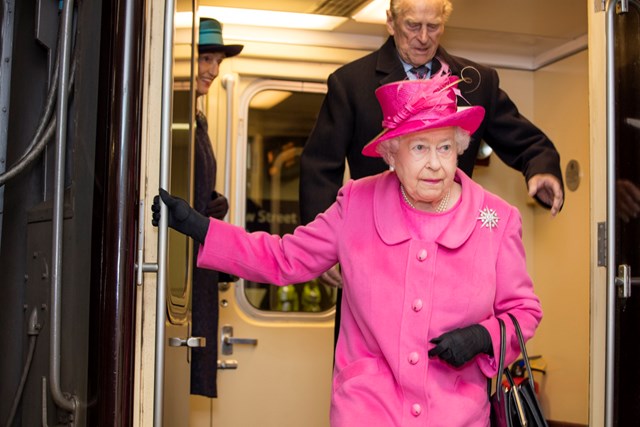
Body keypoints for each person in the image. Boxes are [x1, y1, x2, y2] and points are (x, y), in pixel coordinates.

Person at [152, 74, 543, 425]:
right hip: (366, 411)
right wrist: (200, 228)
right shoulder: (358, 202)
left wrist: (483, 336)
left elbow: (524, 312)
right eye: (419, 147)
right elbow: (284, 258)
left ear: (460, 149)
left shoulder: (496, 219)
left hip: (458, 415)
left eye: (445, 148)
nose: (435, 164)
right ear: (392, 153)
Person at [299, 0, 563, 342]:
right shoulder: (351, 83)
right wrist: (326, 250)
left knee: (450, 359)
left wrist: (540, 168)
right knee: (370, 360)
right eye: (412, 26)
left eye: (433, 27)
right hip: (375, 248)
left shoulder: (476, 82)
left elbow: (523, 138)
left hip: (452, 252)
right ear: (390, 23)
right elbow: (321, 164)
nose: (423, 38)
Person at [189, 17, 243, 398]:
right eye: (205, 58)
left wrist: (210, 202)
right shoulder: (177, 120)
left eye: (217, 61)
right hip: (186, 258)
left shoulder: (197, 121)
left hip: (199, 250)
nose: (212, 69)